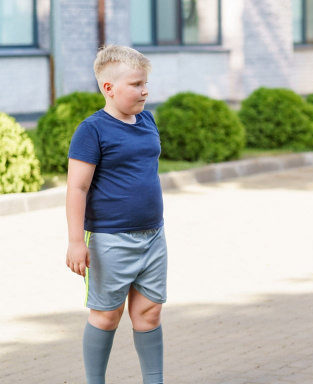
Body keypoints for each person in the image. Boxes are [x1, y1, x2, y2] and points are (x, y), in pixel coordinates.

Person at [65, 45, 166, 384]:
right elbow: (77, 189)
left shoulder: (147, 120)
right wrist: (76, 241)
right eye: (136, 84)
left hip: (153, 236)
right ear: (108, 88)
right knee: (107, 316)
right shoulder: (91, 130)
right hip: (109, 239)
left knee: (149, 314)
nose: (145, 90)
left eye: (145, 83)